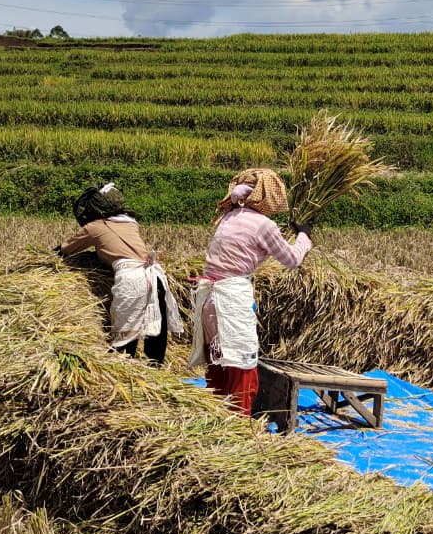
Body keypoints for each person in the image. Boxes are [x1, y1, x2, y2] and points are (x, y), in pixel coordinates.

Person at [187, 168, 313, 415]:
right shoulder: (263, 224)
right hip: (231, 300)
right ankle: (239, 429)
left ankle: (216, 418)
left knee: (220, 363)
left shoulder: (231, 215)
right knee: (243, 367)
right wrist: (304, 238)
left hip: (210, 300)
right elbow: (290, 260)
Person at [56, 183, 181, 366]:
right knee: (155, 322)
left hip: (131, 278)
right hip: (154, 276)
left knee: (126, 329)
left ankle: (125, 366)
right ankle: (155, 367)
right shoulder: (130, 222)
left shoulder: (94, 228)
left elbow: (65, 250)